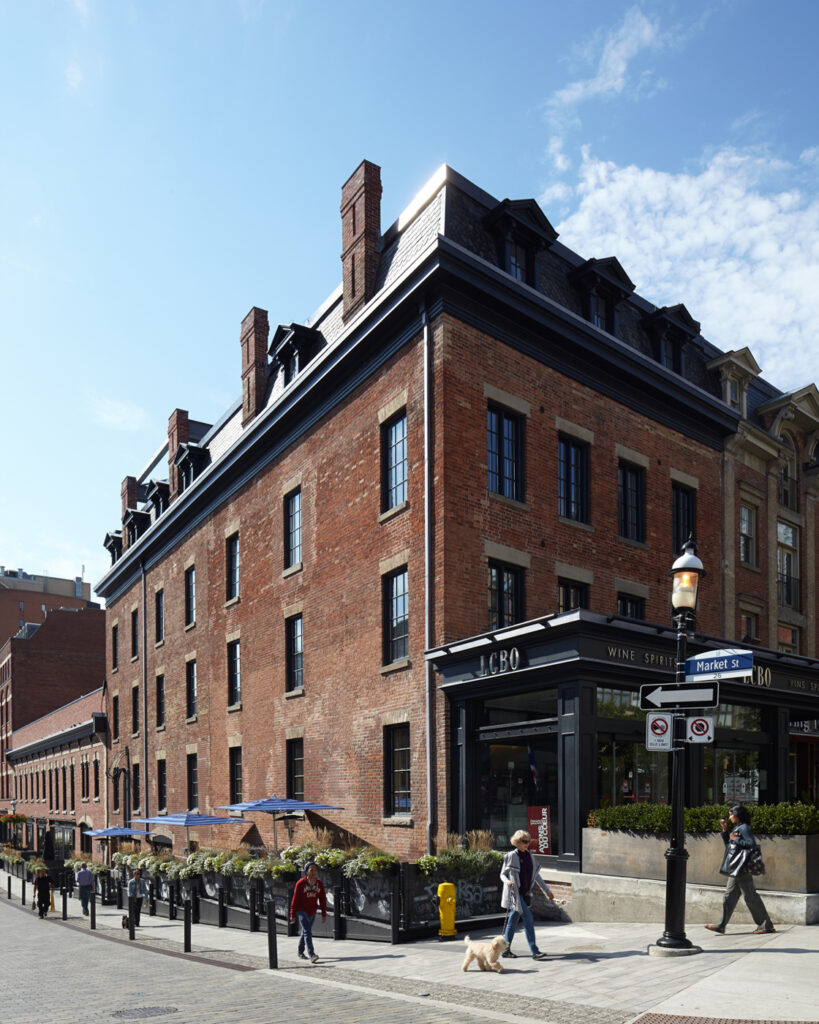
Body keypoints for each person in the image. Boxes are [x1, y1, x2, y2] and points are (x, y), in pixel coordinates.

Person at [706, 804, 775, 935]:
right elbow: (729, 846)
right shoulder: (737, 828)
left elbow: (751, 844)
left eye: (731, 814)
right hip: (736, 869)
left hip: (741, 868)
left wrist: (736, 839)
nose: (730, 817)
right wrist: (725, 831)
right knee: (729, 897)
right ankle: (721, 925)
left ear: (738, 815)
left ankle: (766, 925)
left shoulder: (744, 828)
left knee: (750, 897)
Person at [500, 830, 552, 961]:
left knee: (512, 920)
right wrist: (508, 882)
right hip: (515, 894)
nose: (527, 844)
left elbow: (537, 875)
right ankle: (534, 951)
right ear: (517, 842)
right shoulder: (511, 856)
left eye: (528, 841)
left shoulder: (530, 856)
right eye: (524, 841)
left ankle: (505, 950)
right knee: (528, 917)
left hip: (524, 893)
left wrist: (547, 891)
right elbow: (502, 874)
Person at [290, 861, 327, 963]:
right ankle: (312, 955)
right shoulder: (300, 883)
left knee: (305, 932)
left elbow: (323, 899)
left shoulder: (319, 884)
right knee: (307, 931)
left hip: (312, 911)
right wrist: (292, 914)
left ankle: (300, 951)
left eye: (315, 870)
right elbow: (295, 900)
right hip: (301, 911)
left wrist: (324, 913)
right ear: (307, 872)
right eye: (311, 870)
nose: (314, 872)